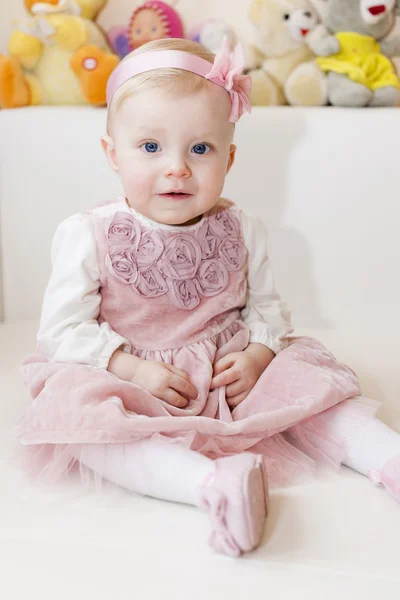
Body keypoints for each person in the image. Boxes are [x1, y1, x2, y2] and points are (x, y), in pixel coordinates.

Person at [16, 37, 400, 558]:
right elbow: (60, 331)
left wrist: (260, 353)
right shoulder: (90, 234)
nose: (177, 167)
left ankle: (386, 456)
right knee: (83, 422)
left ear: (229, 156)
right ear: (112, 153)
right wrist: (129, 368)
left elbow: (267, 308)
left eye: (200, 149)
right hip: (134, 380)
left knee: (312, 391)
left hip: (228, 372)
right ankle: (213, 486)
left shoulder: (242, 226)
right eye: (150, 148)